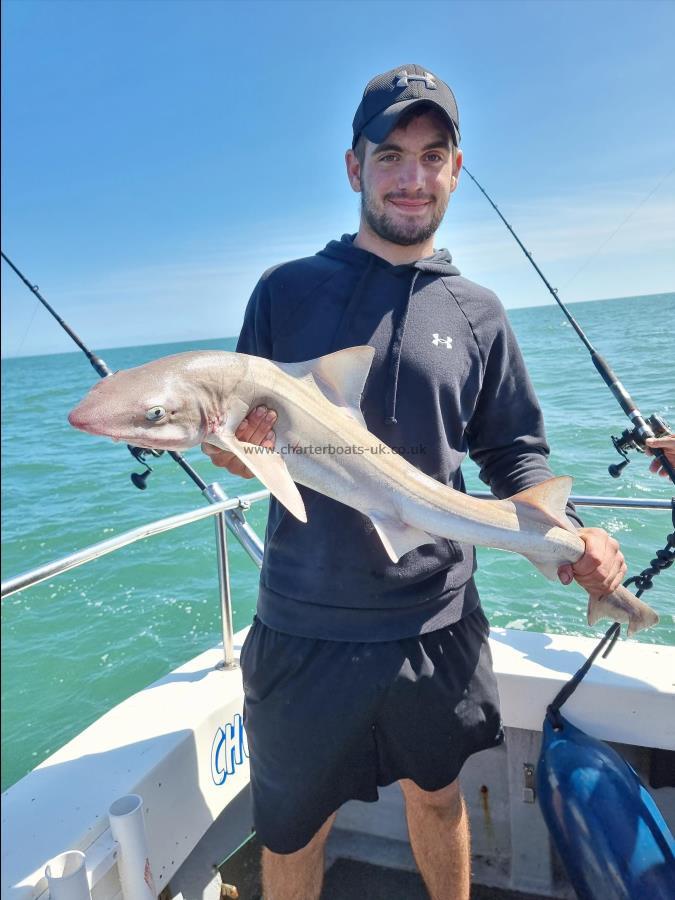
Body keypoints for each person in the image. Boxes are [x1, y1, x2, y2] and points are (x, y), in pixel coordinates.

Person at [203, 64, 627, 900]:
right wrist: (234, 448)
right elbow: (237, 432)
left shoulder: (478, 312)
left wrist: (575, 533)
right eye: (389, 153)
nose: (411, 176)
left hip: (436, 621)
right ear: (354, 166)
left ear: (455, 171)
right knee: (292, 833)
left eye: (431, 156)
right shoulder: (284, 292)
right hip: (304, 622)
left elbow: (515, 453)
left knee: (438, 804)